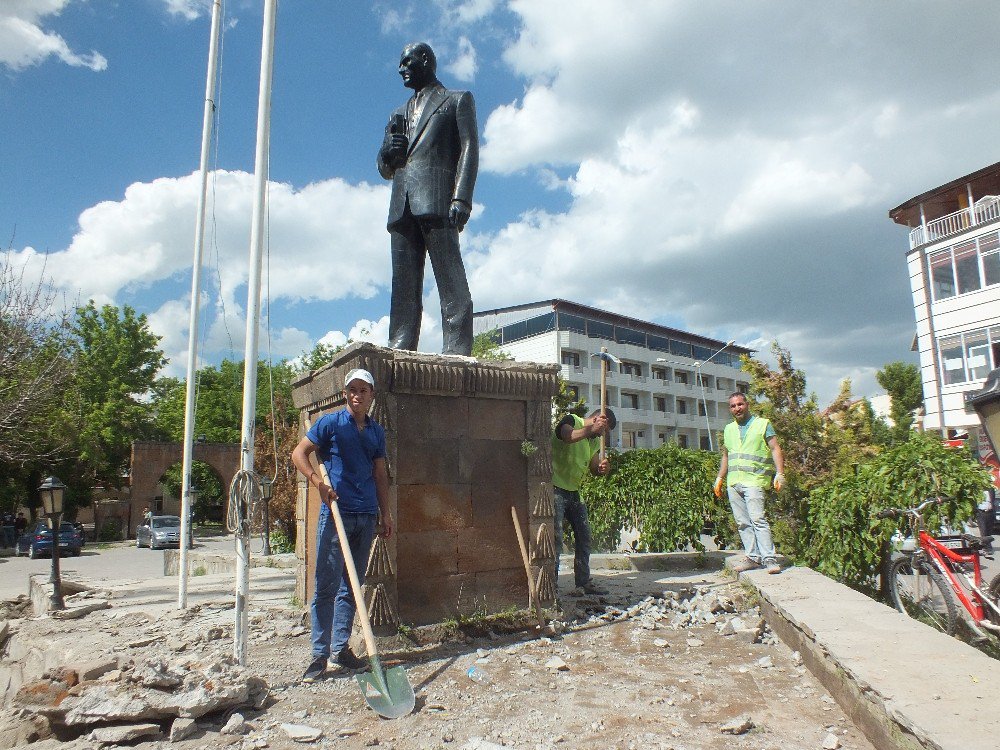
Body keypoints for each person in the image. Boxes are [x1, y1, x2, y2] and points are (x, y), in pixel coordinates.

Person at [291, 368, 393, 682]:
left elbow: (380, 475)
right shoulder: (331, 424)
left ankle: (341, 650)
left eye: (363, 390)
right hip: (337, 513)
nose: (356, 396)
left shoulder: (376, 432)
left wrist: (385, 513)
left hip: (365, 514)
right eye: (352, 390)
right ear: (345, 393)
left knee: (352, 586)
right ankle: (319, 656)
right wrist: (317, 483)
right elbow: (299, 453)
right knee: (326, 585)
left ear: (371, 395)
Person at [377, 41, 478, 356]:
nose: (401, 68)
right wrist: (387, 153)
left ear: (425, 60)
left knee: (450, 277)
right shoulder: (397, 112)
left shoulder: (456, 100)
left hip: (437, 199)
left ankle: (457, 344)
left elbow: (469, 148)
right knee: (403, 283)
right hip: (402, 204)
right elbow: (384, 167)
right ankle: (401, 341)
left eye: (407, 61)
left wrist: (461, 198)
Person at [714, 392, 785, 574]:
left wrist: (780, 473)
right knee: (742, 522)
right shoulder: (729, 429)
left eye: (740, 404)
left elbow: (775, 448)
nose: (737, 408)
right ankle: (753, 557)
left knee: (758, 519)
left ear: (747, 405)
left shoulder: (763, 424)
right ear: (730, 409)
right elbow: (726, 455)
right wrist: (720, 478)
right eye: (733, 406)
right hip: (734, 482)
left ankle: (769, 558)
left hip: (754, 481)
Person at [551, 408, 615, 596]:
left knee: (584, 536)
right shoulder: (572, 420)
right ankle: (551, 586)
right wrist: (591, 428)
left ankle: (583, 582)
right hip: (555, 487)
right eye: (604, 429)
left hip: (574, 492)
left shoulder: (593, 441)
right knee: (556, 539)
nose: (603, 434)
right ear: (597, 419)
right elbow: (567, 436)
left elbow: (595, 469)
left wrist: (603, 468)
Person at [976, 487, 995, 554]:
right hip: (981, 513)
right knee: (983, 530)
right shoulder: (977, 490)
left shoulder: (991, 490)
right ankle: (986, 548)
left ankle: (987, 546)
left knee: (989, 531)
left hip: (990, 512)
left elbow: (993, 500)